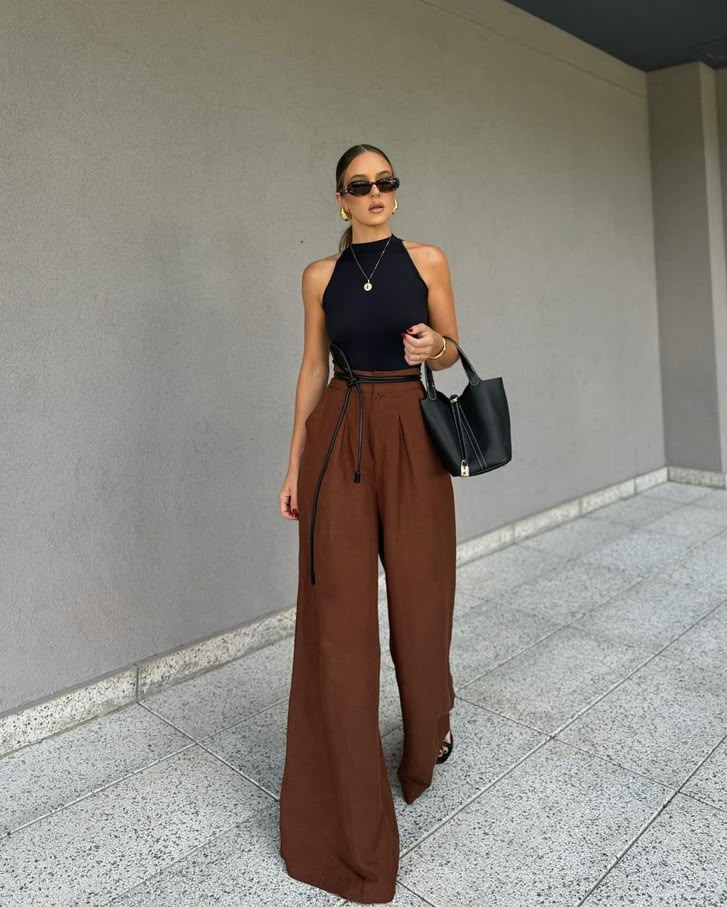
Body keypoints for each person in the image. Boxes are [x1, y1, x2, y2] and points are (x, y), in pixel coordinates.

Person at [278, 143, 460, 904]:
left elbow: (451, 352)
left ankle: (427, 737)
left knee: (421, 604)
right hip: (339, 434)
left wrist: (433, 346)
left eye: (386, 181)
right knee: (338, 620)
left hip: (412, 433)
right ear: (341, 199)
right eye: (361, 185)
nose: (376, 192)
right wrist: (294, 464)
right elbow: (311, 368)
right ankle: (347, 805)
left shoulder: (428, 260)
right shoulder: (319, 276)